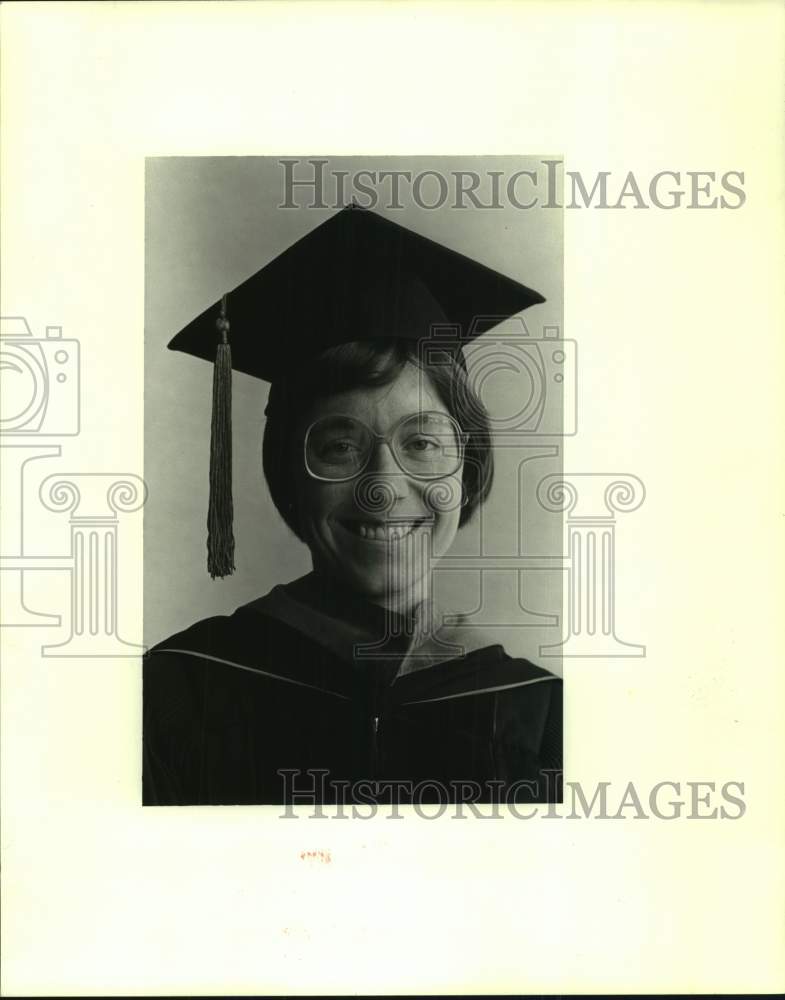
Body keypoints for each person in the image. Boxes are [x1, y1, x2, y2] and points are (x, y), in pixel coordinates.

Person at [143, 204, 562, 806]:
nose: (384, 487)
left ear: (467, 470)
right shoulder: (181, 689)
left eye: (422, 442)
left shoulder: (538, 712)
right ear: (289, 472)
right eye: (340, 446)